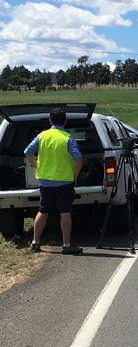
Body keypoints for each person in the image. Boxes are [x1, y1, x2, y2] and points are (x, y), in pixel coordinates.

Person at [24, 108, 83, 254]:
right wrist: (75, 176)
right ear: (65, 121)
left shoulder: (42, 136)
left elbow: (27, 152)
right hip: (64, 181)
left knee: (43, 211)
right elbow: (78, 159)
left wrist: (37, 164)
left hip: (45, 181)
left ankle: (35, 242)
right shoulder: (67, 138)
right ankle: (66, 245)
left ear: (50, 120)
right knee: (65, 212)